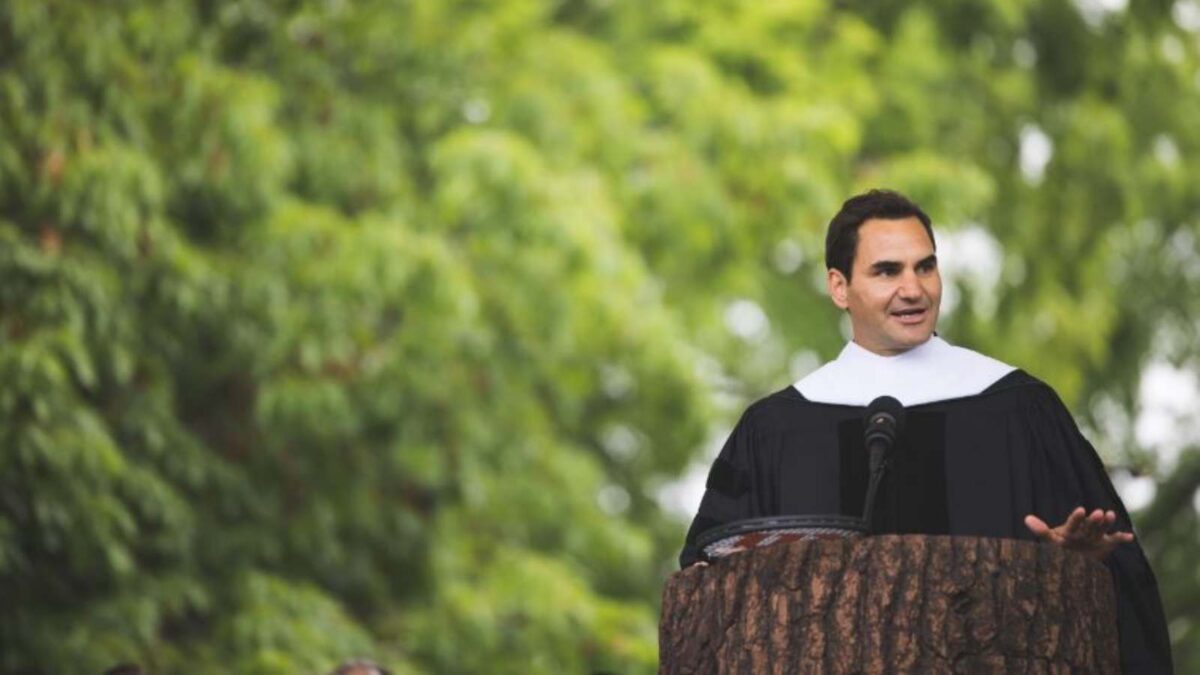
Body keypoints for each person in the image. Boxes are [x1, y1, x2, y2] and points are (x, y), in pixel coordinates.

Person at [679, 189, 1172, 672]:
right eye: (887, 271)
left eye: (926, 266)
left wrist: (1072, 565)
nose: (914, 289)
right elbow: (709, 585)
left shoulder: (1018, 409)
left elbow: (1119, 595)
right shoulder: (776, 431)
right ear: (839, 287)